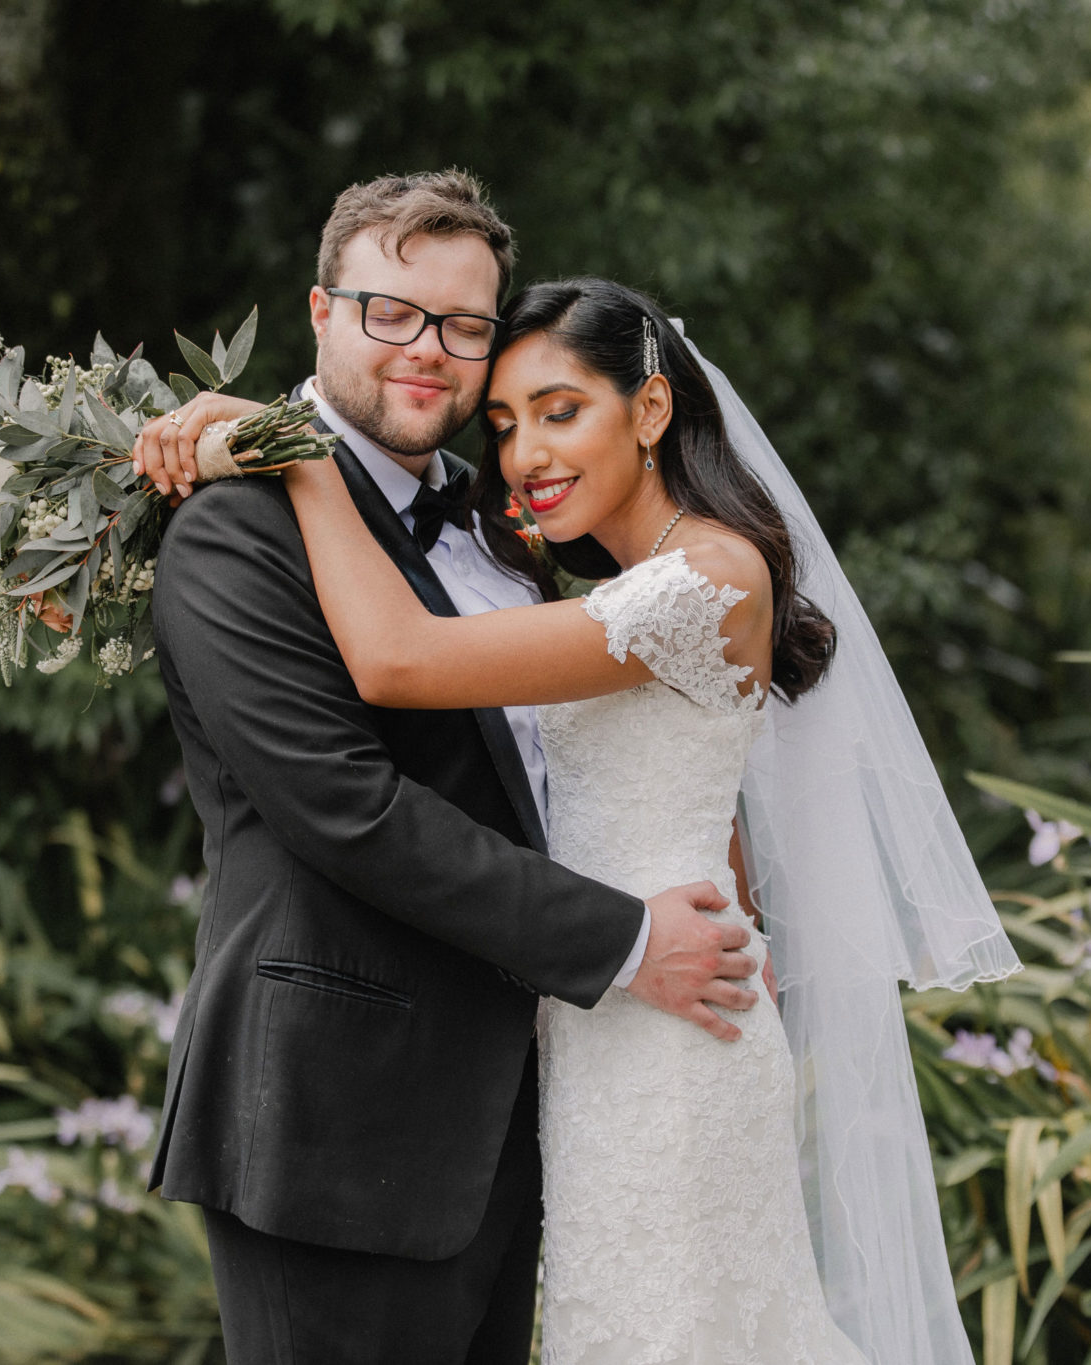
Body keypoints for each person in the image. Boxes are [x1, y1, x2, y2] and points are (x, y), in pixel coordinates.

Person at [152, 268, 1022, 1361]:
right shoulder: (597, 583)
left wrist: (307, 459)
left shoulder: (701, 580)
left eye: (561, 413)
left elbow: (397, 657)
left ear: (649, 409)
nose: (523, 457)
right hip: (588, 1035)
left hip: (663, 1038)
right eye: (508, 423)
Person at [135, 172, 764, 1365]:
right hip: (334, 1121)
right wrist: (626, 940)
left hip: (522, 1121)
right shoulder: (236, 532)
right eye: (390, 313)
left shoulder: (504, 522)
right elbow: (346, 812)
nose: (428, 352)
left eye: (464, 327)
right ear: (320, 313)